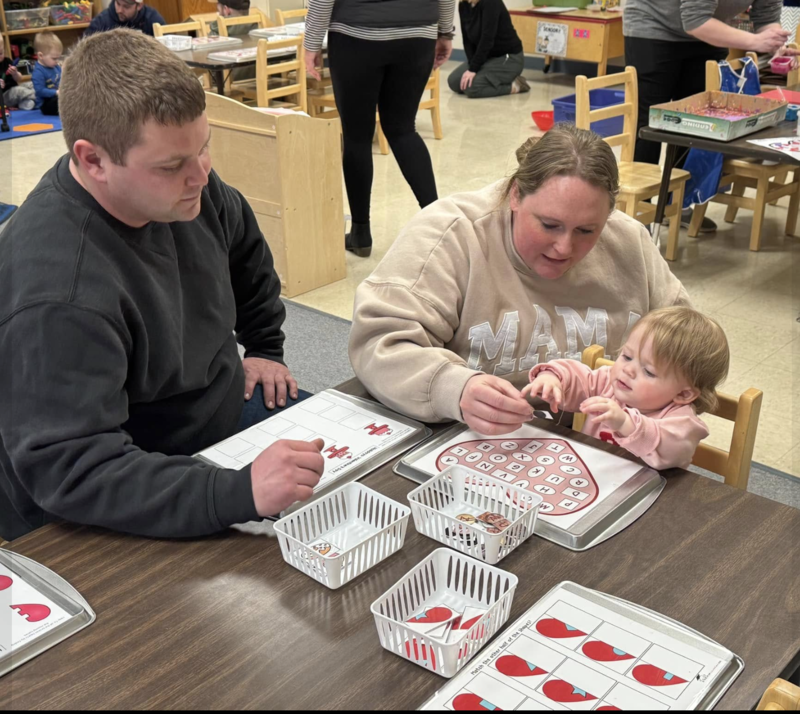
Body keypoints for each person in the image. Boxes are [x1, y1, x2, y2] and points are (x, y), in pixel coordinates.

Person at [0, 29, 324, 543]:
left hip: (213, 408)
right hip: (112, 477)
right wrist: (235, 494)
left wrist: (265, 346)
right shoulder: (58, 292)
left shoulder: (190, 187)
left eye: (204, 147)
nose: (200, 174)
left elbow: (245, 252)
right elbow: (72, 471)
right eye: (172, 165)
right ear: (93, 160)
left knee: (366, 480)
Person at [348, 124, 690, 435]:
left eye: (587, 231)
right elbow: (380, 344)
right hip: (472, 441)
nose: (564, 247)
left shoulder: (628, 241)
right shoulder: (451, 233)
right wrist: (455, 388)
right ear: (514, 195)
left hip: (607, 445)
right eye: (549, 225)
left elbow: (692, 348)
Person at [624, 0, 799, 232]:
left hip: (709, 32)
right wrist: (756, 41)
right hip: (655, 27)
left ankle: (678, 206)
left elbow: (766, 17)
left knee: (699, 126)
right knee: (649, 126)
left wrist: (774, 45)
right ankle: (638, 218)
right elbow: (694, 20)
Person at [304, 0, 456, 258]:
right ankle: (441, 226)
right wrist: (444, 31)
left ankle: (361, 233)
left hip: (356, 34)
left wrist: (312, 43)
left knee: (357, 137)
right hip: (418, 35)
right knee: (403, 129)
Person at [523, 307, 729, 470]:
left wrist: (625, 422)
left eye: (648, 371)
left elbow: (671, 452)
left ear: (683, 394)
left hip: (652, 494)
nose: (628, 370)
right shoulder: (612, 383)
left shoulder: (682, 422)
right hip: (595, 474)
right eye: (627, 356)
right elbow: (581, 378)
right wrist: (553, 377)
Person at [448, 0, 529, 99]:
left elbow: (487, 39)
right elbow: (467, 39)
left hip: (509, 58)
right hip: (487, 58)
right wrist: (472, 65)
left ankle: (516, 85)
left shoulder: (491, 3)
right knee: (454, 82)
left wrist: (474, 69)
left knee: (472, 88)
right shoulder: (463, 5)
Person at [85, 0, 165, 36]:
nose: (119, 10)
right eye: (118, 3)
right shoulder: (101, 22)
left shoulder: (152, 18)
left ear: (139, 6)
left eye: (126, 7)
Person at [32, 32, 62, 116]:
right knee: (60, 103)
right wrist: (56, 92)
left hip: (58, 96)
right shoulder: (38, 72)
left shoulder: (55, 67)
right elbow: (40, 91)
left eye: (58, 58)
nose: (57, 61)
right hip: (45, 104)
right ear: (41, 56)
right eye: (54, 58)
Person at [0, 42, 35, 111]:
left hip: (14, 90)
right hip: (3, 97)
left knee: (31, 84)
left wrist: (15, 73)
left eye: (1, 53)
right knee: (19, 91)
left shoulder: (7, 61)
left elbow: (19, 79)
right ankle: (42, 98)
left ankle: (25, 103)